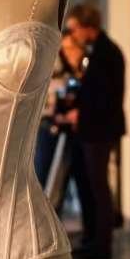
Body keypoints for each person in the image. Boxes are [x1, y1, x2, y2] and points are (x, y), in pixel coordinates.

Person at [62, 3, 126, 259]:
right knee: (87, 183)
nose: (73, 35)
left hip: (100, 130)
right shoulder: (94, 52)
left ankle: (102, 244)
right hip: (90, 130)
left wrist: (79, 112)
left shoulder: (107, 53)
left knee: (99, 187)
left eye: (75, 29)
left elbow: (104, 97)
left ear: (88, 27)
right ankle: (91, 237)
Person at [35, 29, 83, 186]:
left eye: (73, 48)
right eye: (67, 48)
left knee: (61, 178)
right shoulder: (54, 70)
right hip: (48, 124)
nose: (70, 52)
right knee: (44, 171)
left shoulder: (77, 73)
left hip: (70, 129)